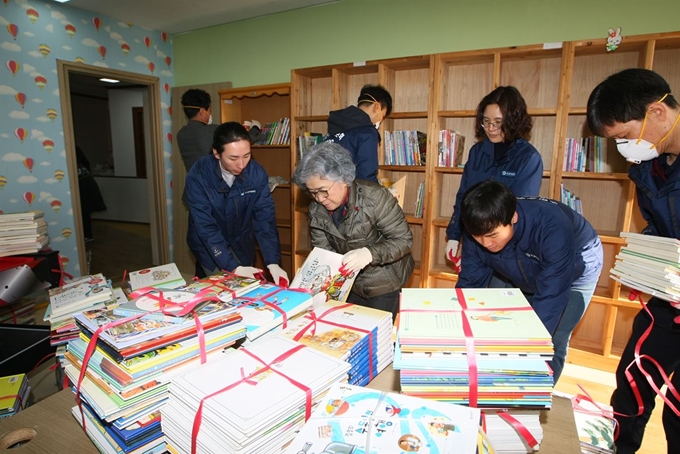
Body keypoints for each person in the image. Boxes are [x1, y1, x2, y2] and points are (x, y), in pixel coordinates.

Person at [587, 68, 680, 454]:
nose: (624, 148)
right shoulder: (648, 166)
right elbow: (658, 227)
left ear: (658, 112)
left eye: (624, 136)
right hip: (668, 294)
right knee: (632, 381)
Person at [456, 181, 603, 383]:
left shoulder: (552, 227)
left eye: (492, 235)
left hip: (575, 271)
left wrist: (529, 352)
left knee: (553, 339)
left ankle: (535, 399)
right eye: (477, 237)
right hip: (519, 266)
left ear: (513, 218)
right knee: (499, 323)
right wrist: (457, 327)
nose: (485, 243)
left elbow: (551, 297)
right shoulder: (479, 228)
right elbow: (471, 284)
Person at [292, 141, 414, 320]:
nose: (319, 198)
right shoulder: (316, 210)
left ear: (343, 179)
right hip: (349, 283)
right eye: (312, 192)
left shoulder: (376, 198)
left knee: (377, 335)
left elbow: (403, 240)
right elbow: (324, 251)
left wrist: (369, 254)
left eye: (323, 191)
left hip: (385, 280)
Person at [445, 86, 543, 271]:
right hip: (474, 240)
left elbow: (521, 209)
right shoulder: (477, 152)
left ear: (513, 122)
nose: (491, 129)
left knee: (500, 296)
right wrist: (454, 235)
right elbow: (463, 197)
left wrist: (493, 239)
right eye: (486, 121)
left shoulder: (528, 158)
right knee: (470, 294)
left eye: (498, 123)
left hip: (505, 246)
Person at [185, 121, 289, 286]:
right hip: (208, 244)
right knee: (219, 289)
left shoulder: (257, 174)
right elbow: (206, 227)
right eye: (233, 158)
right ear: (216, 153)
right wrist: (232, 267)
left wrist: (272, 262)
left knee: (245, 289)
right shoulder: (198, 175)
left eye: (246, 156)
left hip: (241, 240)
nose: (241, 165)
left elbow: (265, 220)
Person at [323, 84, 392, 183]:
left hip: (323, 191)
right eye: (382, 115)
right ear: (376, 107)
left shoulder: (337, 125)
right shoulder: (367, 132)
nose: (380, 120)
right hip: (347, 194)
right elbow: (366, 176)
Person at [177, 88, 218, 172]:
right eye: (210, 110)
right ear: (202, 111)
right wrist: (253, 128)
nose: (210, 114)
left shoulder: (181, 133)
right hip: (210, 184)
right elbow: (241, 140)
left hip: (192, 183)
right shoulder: (213, 130)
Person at [76, 146, 106, 241]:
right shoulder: (82, 167)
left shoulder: (75, 166)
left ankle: (85, 235)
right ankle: (86, 235)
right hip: (87, 184)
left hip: (83, 187)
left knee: (83, 210)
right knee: (84, 211)